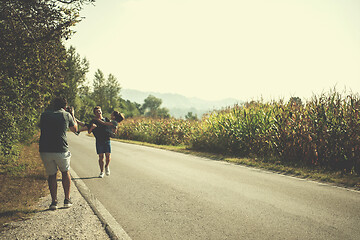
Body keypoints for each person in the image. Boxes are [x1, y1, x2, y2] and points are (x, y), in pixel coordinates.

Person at [39, 97, 78, 210]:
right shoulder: (66, 115)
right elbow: (75, 129)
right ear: (65, 106)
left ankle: (54, 202)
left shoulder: (44, 115)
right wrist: (72, 114)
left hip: (45, 149)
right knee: (65, 173)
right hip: (61, 149)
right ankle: (67, 199)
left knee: (52, 175)